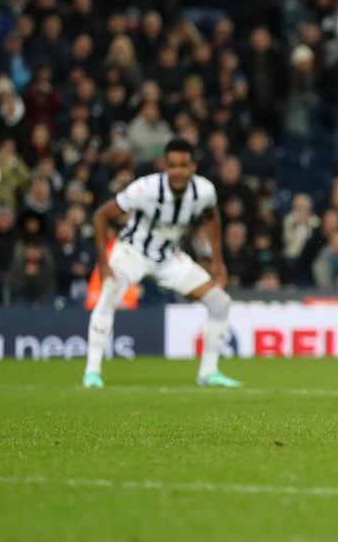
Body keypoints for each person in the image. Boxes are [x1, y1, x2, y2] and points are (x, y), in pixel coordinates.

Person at [83, 138, 241, 388]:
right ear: (164, 166)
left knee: (220, 302)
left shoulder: (204, 191)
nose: (178, 171)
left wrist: (217, 261)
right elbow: (101, 216)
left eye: (183, 165)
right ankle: (92, 373)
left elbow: (212, 217)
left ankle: (208, 373)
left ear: (193, 167)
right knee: (110, 290)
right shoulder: (144, 189)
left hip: (169, 259)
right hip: (133, 253)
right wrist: (103, 264)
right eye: (172, 165)